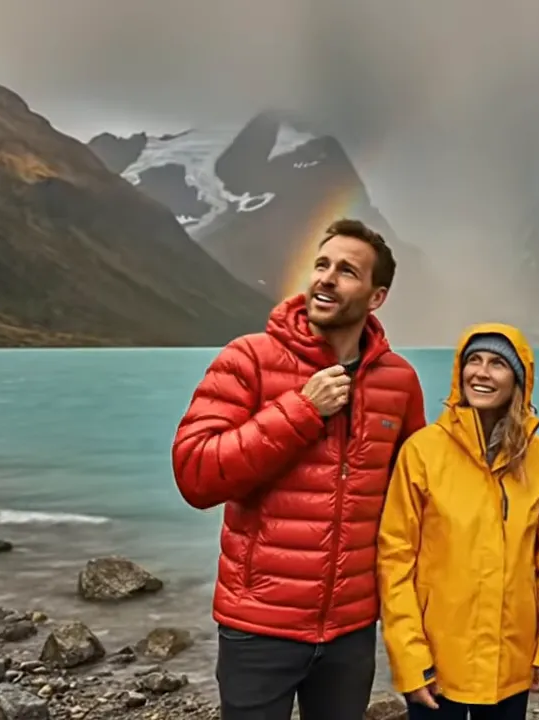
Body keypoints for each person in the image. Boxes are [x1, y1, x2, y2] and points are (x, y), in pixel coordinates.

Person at [171, 218, 427, 720]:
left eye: (347, 271)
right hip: (259, 627)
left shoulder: (399, 382)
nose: (326, 278)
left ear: (376, 298)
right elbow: (196, 475)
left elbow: (418, 496)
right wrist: (301, 411)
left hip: (351, 632)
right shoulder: (248, 359)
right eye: (322, 264)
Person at [377, 324, 539, 720]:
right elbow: (395, 561)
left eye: (497, 363)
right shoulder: (423, 452)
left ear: (519, 379)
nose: (481, 372)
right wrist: (410, 659)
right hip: (437, 665)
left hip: (510, 665)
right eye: (473, 360)